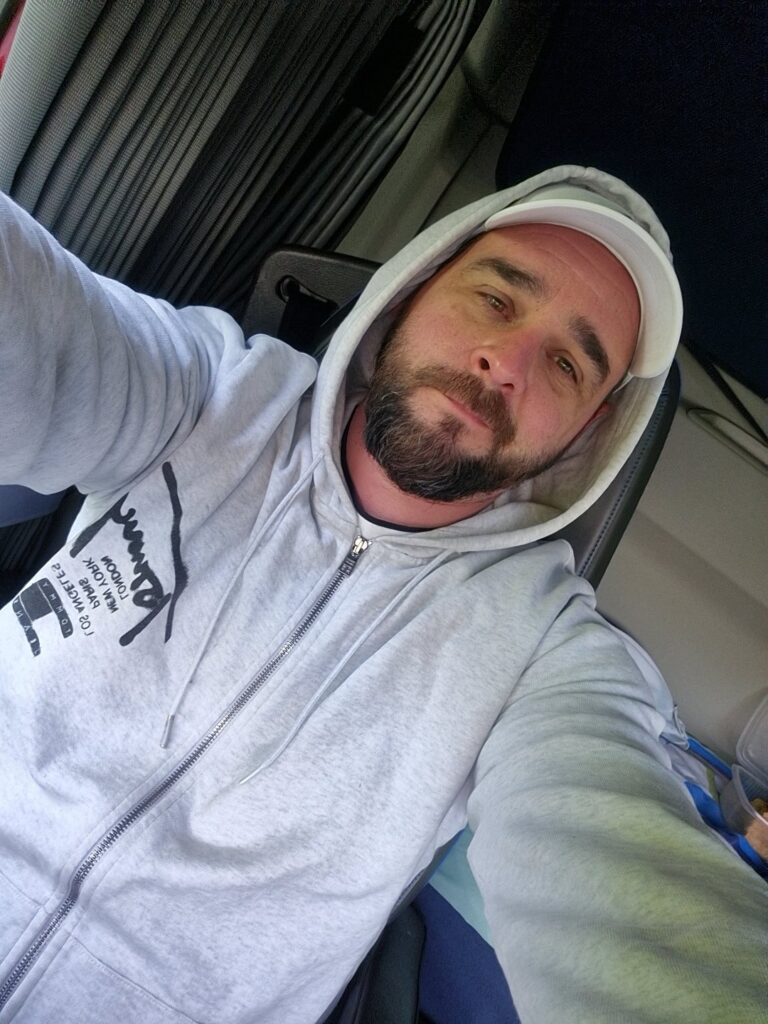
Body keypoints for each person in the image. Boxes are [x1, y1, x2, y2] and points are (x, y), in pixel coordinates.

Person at [0, 165, 764, 1024]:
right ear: (408, 292)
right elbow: (35, 321)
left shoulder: (547, 653)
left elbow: (623, 880)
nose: (507, 364)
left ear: (587, 435)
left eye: (566, 364)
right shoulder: (207, 392)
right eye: (496, 299)